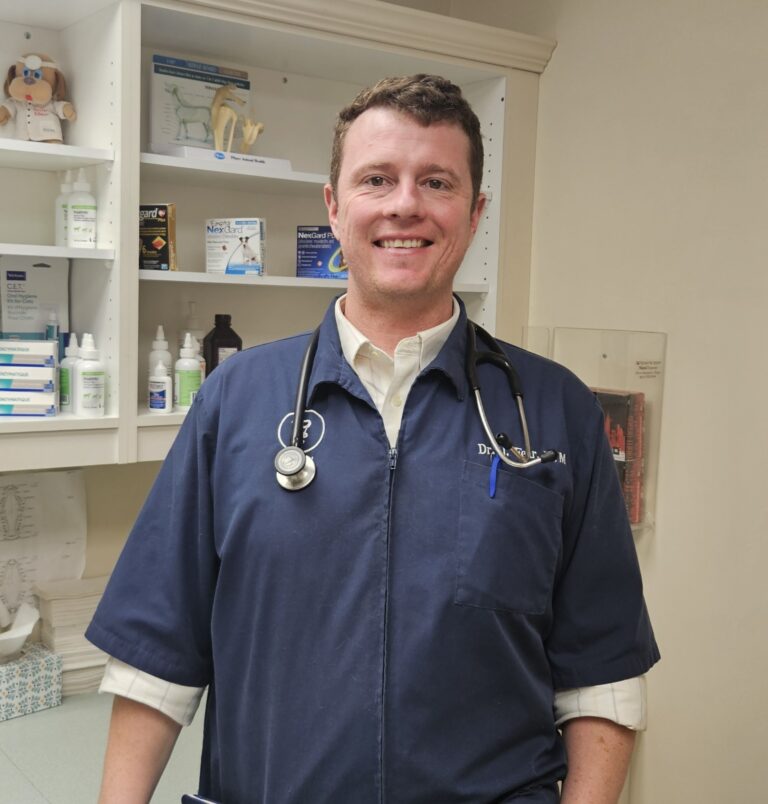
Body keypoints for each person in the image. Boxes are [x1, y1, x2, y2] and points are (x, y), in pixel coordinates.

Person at [87, 74, 659, 803]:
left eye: (437, 182)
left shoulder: (555, 413)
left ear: (475, 211)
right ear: (333, 205)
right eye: (377, 178)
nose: (404, 205)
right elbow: (153, 660)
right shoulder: (234, 402)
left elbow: (603, 679)